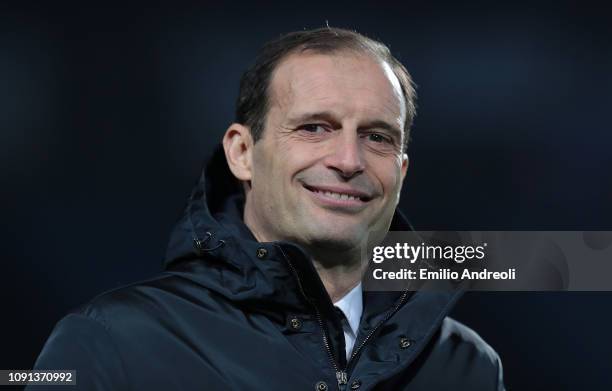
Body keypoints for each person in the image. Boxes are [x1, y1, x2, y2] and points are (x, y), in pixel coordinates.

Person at [30, 27, 505, 390]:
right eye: (314, 128)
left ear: (400, 172)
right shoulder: (111, 342)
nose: (347, 160)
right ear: (241, 152)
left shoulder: (466, 363)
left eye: (376, 137)